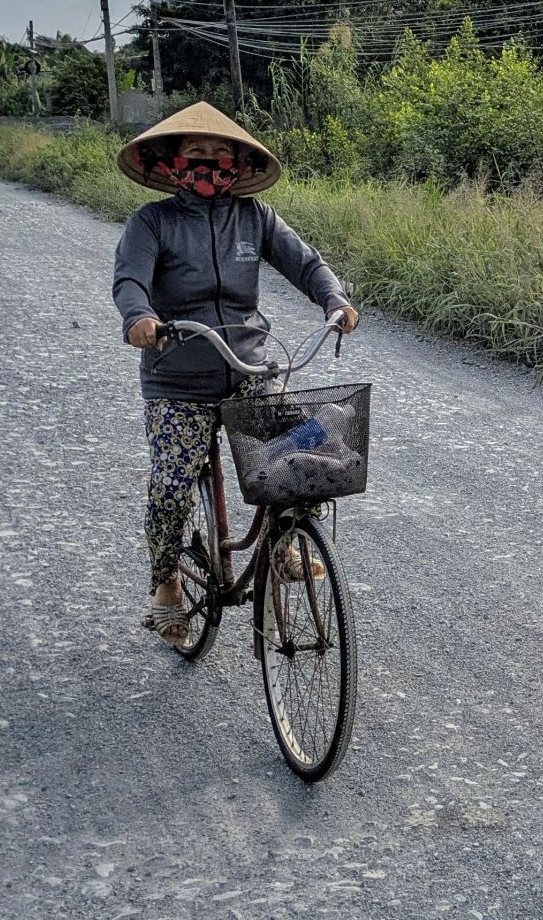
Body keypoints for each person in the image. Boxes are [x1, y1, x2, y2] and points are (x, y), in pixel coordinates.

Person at [113, 102, 359, 647]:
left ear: (238, 165)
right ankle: (166, 585)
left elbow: (307, 264)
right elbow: (130, 281)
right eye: (196, 154)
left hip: (247, 366)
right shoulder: (151, 222)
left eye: (220, 155)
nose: (209, 164)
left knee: (307, 440)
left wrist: (334, 301)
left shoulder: (256, 218)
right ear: (174, 164)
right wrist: (140, 318)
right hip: (178, 377)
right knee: (172, 485)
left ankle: (288, 539)